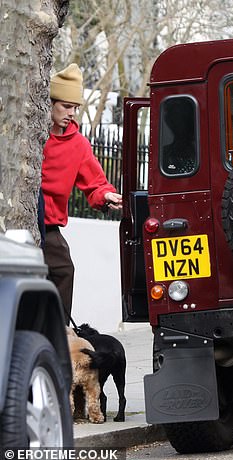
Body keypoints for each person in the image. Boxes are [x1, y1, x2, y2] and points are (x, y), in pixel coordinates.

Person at [41, 63, 122, 324]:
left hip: (49, 228)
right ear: (49, 103)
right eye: (66, 106)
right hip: (18, 220)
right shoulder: (31, 135)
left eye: (75, 107)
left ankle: (61, 333)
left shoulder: (79, 144)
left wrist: (106, 195)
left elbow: (95, 182)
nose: (72, 113)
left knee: (64, 269)